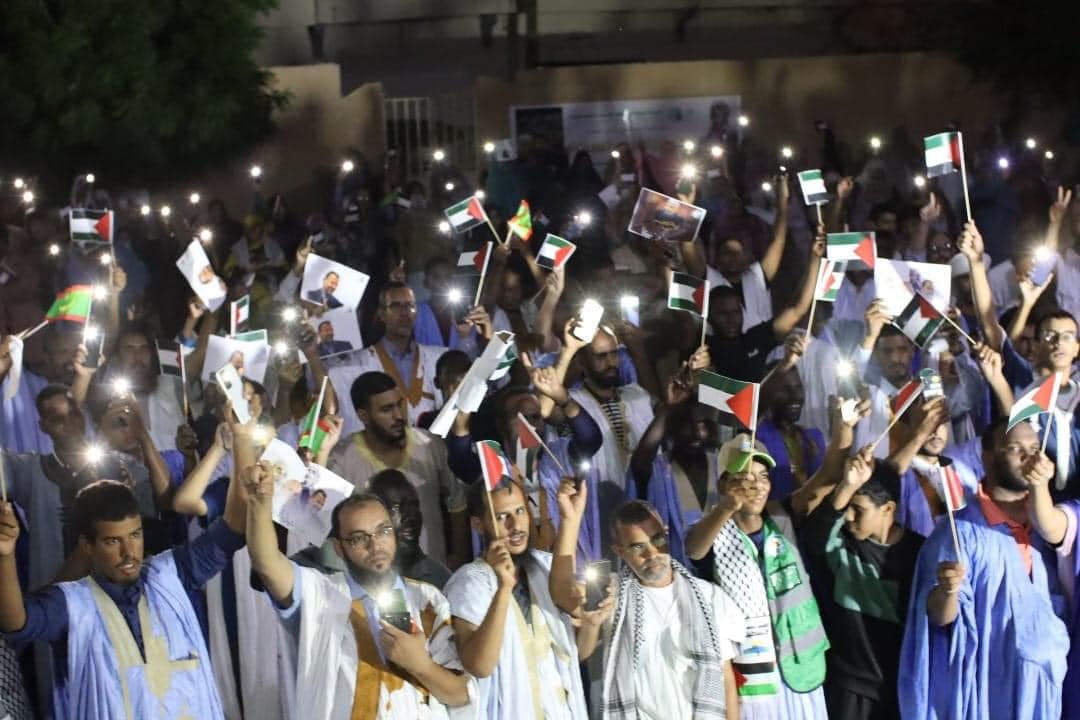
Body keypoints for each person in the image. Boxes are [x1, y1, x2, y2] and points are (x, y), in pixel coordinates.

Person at [0, 412, 250, 719]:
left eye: (135, 535)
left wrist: (241, 442)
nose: (129, 552)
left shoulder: (170, 574)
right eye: (112, 541)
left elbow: (232, 530)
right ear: (87, 545)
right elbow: (16, 623)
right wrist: (5, 555)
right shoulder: (75, 605)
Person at [246, 467, 473, 720]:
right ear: (339, 548)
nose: (375, 545)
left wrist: (421, 665)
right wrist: (260, 502)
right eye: (358, 538)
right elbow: (267, 564)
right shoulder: (322, 594)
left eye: (383, 531)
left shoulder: (426, 600)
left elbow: (460, 694)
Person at [899, 419, 1069, 718]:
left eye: (1034, 448)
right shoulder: (960, 532)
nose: (1028, 457)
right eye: (1015, 448)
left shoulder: (1052, 527)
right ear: (987, 457)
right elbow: (939, 618)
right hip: (990, 694)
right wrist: (948, 591)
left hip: (1045, 691)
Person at [550, 479, 741, 719]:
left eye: (657, 540)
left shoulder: (708, 596)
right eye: (638, 547)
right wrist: (569, 520)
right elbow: (562, 596)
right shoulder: (609, 592)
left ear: (667, 535)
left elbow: (725, 679)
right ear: (620, 551)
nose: (652, 553)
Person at [685, 436, 830, 719]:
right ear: (723, 486)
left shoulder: (782, 518)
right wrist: (727, 507)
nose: (756, 485)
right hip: (755, 681)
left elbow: (827, 478)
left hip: (801, 669)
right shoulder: (713, 531)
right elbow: (694, 549)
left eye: (763, 476)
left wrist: (844, 429)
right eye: (744, 478)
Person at [443, 479, 600, 719]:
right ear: (477, 524)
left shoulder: (544, 567)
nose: (515, 526)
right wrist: (504, 588)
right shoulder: (469, 583)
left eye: (520, 511)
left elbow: (576, 653)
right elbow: (479, 666)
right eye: (501, 517)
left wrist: (592, 623)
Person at [799, 449, 924, 720]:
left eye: (859, 509)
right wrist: (847, 485)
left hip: (902, 688)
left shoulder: (919, 554)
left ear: (888, 509)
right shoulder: (841, 544)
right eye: (848, 508)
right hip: (849, 687)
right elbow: (813, 537)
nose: (849, 517)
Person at [328, 371, 467, 567]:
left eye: (400, 404)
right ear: (364, 416)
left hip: (433, 572)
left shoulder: (429, 445)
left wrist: (458, 557)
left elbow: (458, 504)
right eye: (386, 409)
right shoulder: (342, 460)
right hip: (375, 577)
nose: (399, 415)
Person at [327, 282, 448, 429]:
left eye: (410, 305)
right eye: (396, 306)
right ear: (382, 314)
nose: (405, 312)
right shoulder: (359, 362)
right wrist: (313, 354)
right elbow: (326, 388)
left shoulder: (436, 358)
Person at [756, 353, 825, 500]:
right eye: (784, 389)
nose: (795, 395)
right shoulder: (757, 435)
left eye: (798, 387)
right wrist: (786, 362)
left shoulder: (813, 438)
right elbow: (757, 404)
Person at [370, 468, 452, 589]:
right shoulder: (359, 576)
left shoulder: (440, 578)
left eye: (414, 505)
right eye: (397, 507)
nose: (410, 515)